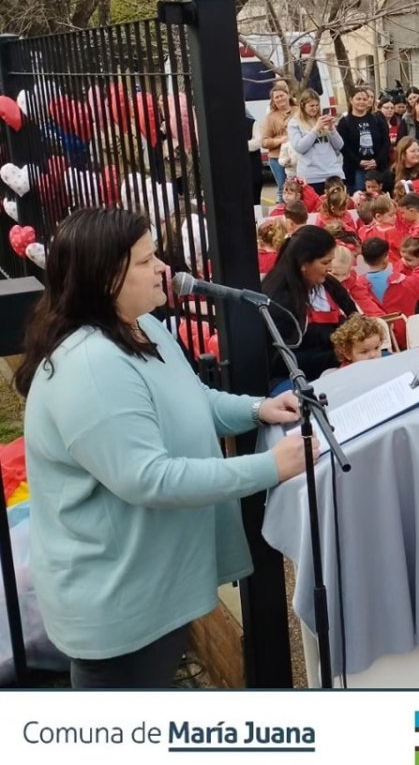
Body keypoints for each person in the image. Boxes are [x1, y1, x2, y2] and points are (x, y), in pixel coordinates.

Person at [15, 208, 316, 688]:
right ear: (106, 278)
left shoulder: (142, 326)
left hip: (147, 586)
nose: (164, 268)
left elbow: (192, 400)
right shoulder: (92, 365)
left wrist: (258, 409)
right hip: (117, 605)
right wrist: (269, 467)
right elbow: (148, 478)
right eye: (146, 260)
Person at [261, 225, 358, 382]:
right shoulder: (279, 301)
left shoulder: (329, 284)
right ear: (304, 264)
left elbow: (354, 317)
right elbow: (279, 362)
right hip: (296, 382)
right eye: (325, 263)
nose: (330, 268)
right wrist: (337, 356)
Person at [286, 89, 344, 193]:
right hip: (311, 175)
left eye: (317, 105)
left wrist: (331, 129)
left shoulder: (322, 119)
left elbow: (339, 146)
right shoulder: (294, 123)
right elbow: (300, 147)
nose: (315, 109)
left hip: (333, 173)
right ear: (303, 105)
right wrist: (315, 129)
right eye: (311, 106)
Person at [338, 85, 389, 192]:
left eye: (365, 99)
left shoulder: (377, 119)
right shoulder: (344, 122)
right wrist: (359, 161)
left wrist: (376, 160)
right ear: (351, 100)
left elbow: (386, 141)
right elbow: (343, 147)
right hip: (355, 170)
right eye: (358, 99)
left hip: (377, 168)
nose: (361, 102)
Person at [260, 81, 294, 203]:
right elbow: (264, 142)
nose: (280, 99)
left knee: (300, 188)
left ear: (288, 95)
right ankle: (282, 213)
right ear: (273, 101)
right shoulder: (271, 117)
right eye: (277, 97)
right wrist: (280, 140)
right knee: (283, 188)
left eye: (282, 95)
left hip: (298, 157)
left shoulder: (298, 111)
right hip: (277, 158)